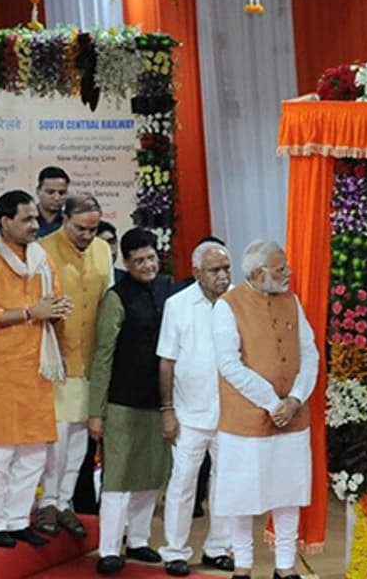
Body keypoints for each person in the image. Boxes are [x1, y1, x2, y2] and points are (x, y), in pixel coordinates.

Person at [0, 190, 72, 548]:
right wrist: (30, 312)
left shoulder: (42, 259)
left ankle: (16, 520)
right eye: (27, 219)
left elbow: (51, 302)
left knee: (33, 453)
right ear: (5, 222)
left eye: (35, 219)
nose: (34, 225)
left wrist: (57, 309)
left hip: (36, 369)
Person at [211, 240, 319, 579]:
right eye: (281, 269)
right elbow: (229, 364)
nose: (288, 273)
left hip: (292, 418)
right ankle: (242, 567)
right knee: (241, 498)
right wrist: (273, 403)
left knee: (288, 494)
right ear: (259, 273)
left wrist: (295, 399)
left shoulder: (292, 301)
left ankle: (285, 567)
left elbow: (310, 354)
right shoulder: (228, 306)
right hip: (246, 421)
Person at [88, 228, 173, 575]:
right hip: (121, 402)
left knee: (151, 474)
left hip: (160, 401)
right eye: (138, 261)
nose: (147, 265)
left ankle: (138, 539)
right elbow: (102, 356)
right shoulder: (116, 298)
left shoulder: (168, 290)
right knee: (118, 478)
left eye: (151, 258)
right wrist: (97, 412)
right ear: (126, 262)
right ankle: (109, 548)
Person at [34, 195, 113, 539]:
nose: (87, 235)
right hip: (56, 357)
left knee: (81, 437)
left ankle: (65, 502)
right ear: (64, 219)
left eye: (93, 229)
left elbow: (107, 301)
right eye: (80, 228)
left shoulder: (103, 250)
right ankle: (47, 501)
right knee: (58, 437)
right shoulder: (42, 250)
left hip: (92, 359)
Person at [157, 241, 235, 576]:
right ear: (197, 272)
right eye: (215, 270)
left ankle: (219, 547)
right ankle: (175, 551)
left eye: (226, 268)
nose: (223, 276)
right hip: (189, 412)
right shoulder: (177, 305)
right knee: (183, 483)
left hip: (231, 412)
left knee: (226, 483)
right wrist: (167, 410)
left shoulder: (239, 301)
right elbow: (166, 361)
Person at [35, 166, 70, 238]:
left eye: (61, 193)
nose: (57, 198)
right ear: (38, 191)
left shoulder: (70, 222)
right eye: (50, 192)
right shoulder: (25, 220)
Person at [96, 221, 127, 285]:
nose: (109, 249)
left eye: (112, 242)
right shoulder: (79, 280)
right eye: (102, 244)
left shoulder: (128, 279)